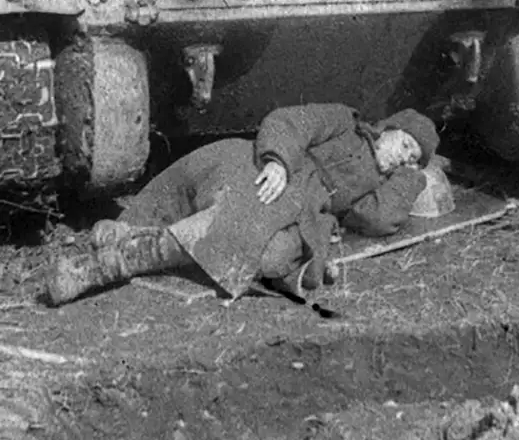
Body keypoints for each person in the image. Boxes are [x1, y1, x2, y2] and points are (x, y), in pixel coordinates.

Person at [46, 104, 439, 307]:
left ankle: (113, 260)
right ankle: (126, 233)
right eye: (406, 144)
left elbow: (379, 217)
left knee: (261, 249)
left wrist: (411, 175)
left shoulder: (379, 183)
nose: (405, 157)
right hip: (264, 165)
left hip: (296, 211)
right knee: (208, 187)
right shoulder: (344, 120)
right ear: (389, 127)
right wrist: (278, 162)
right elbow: (290, 121)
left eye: (413, 158)